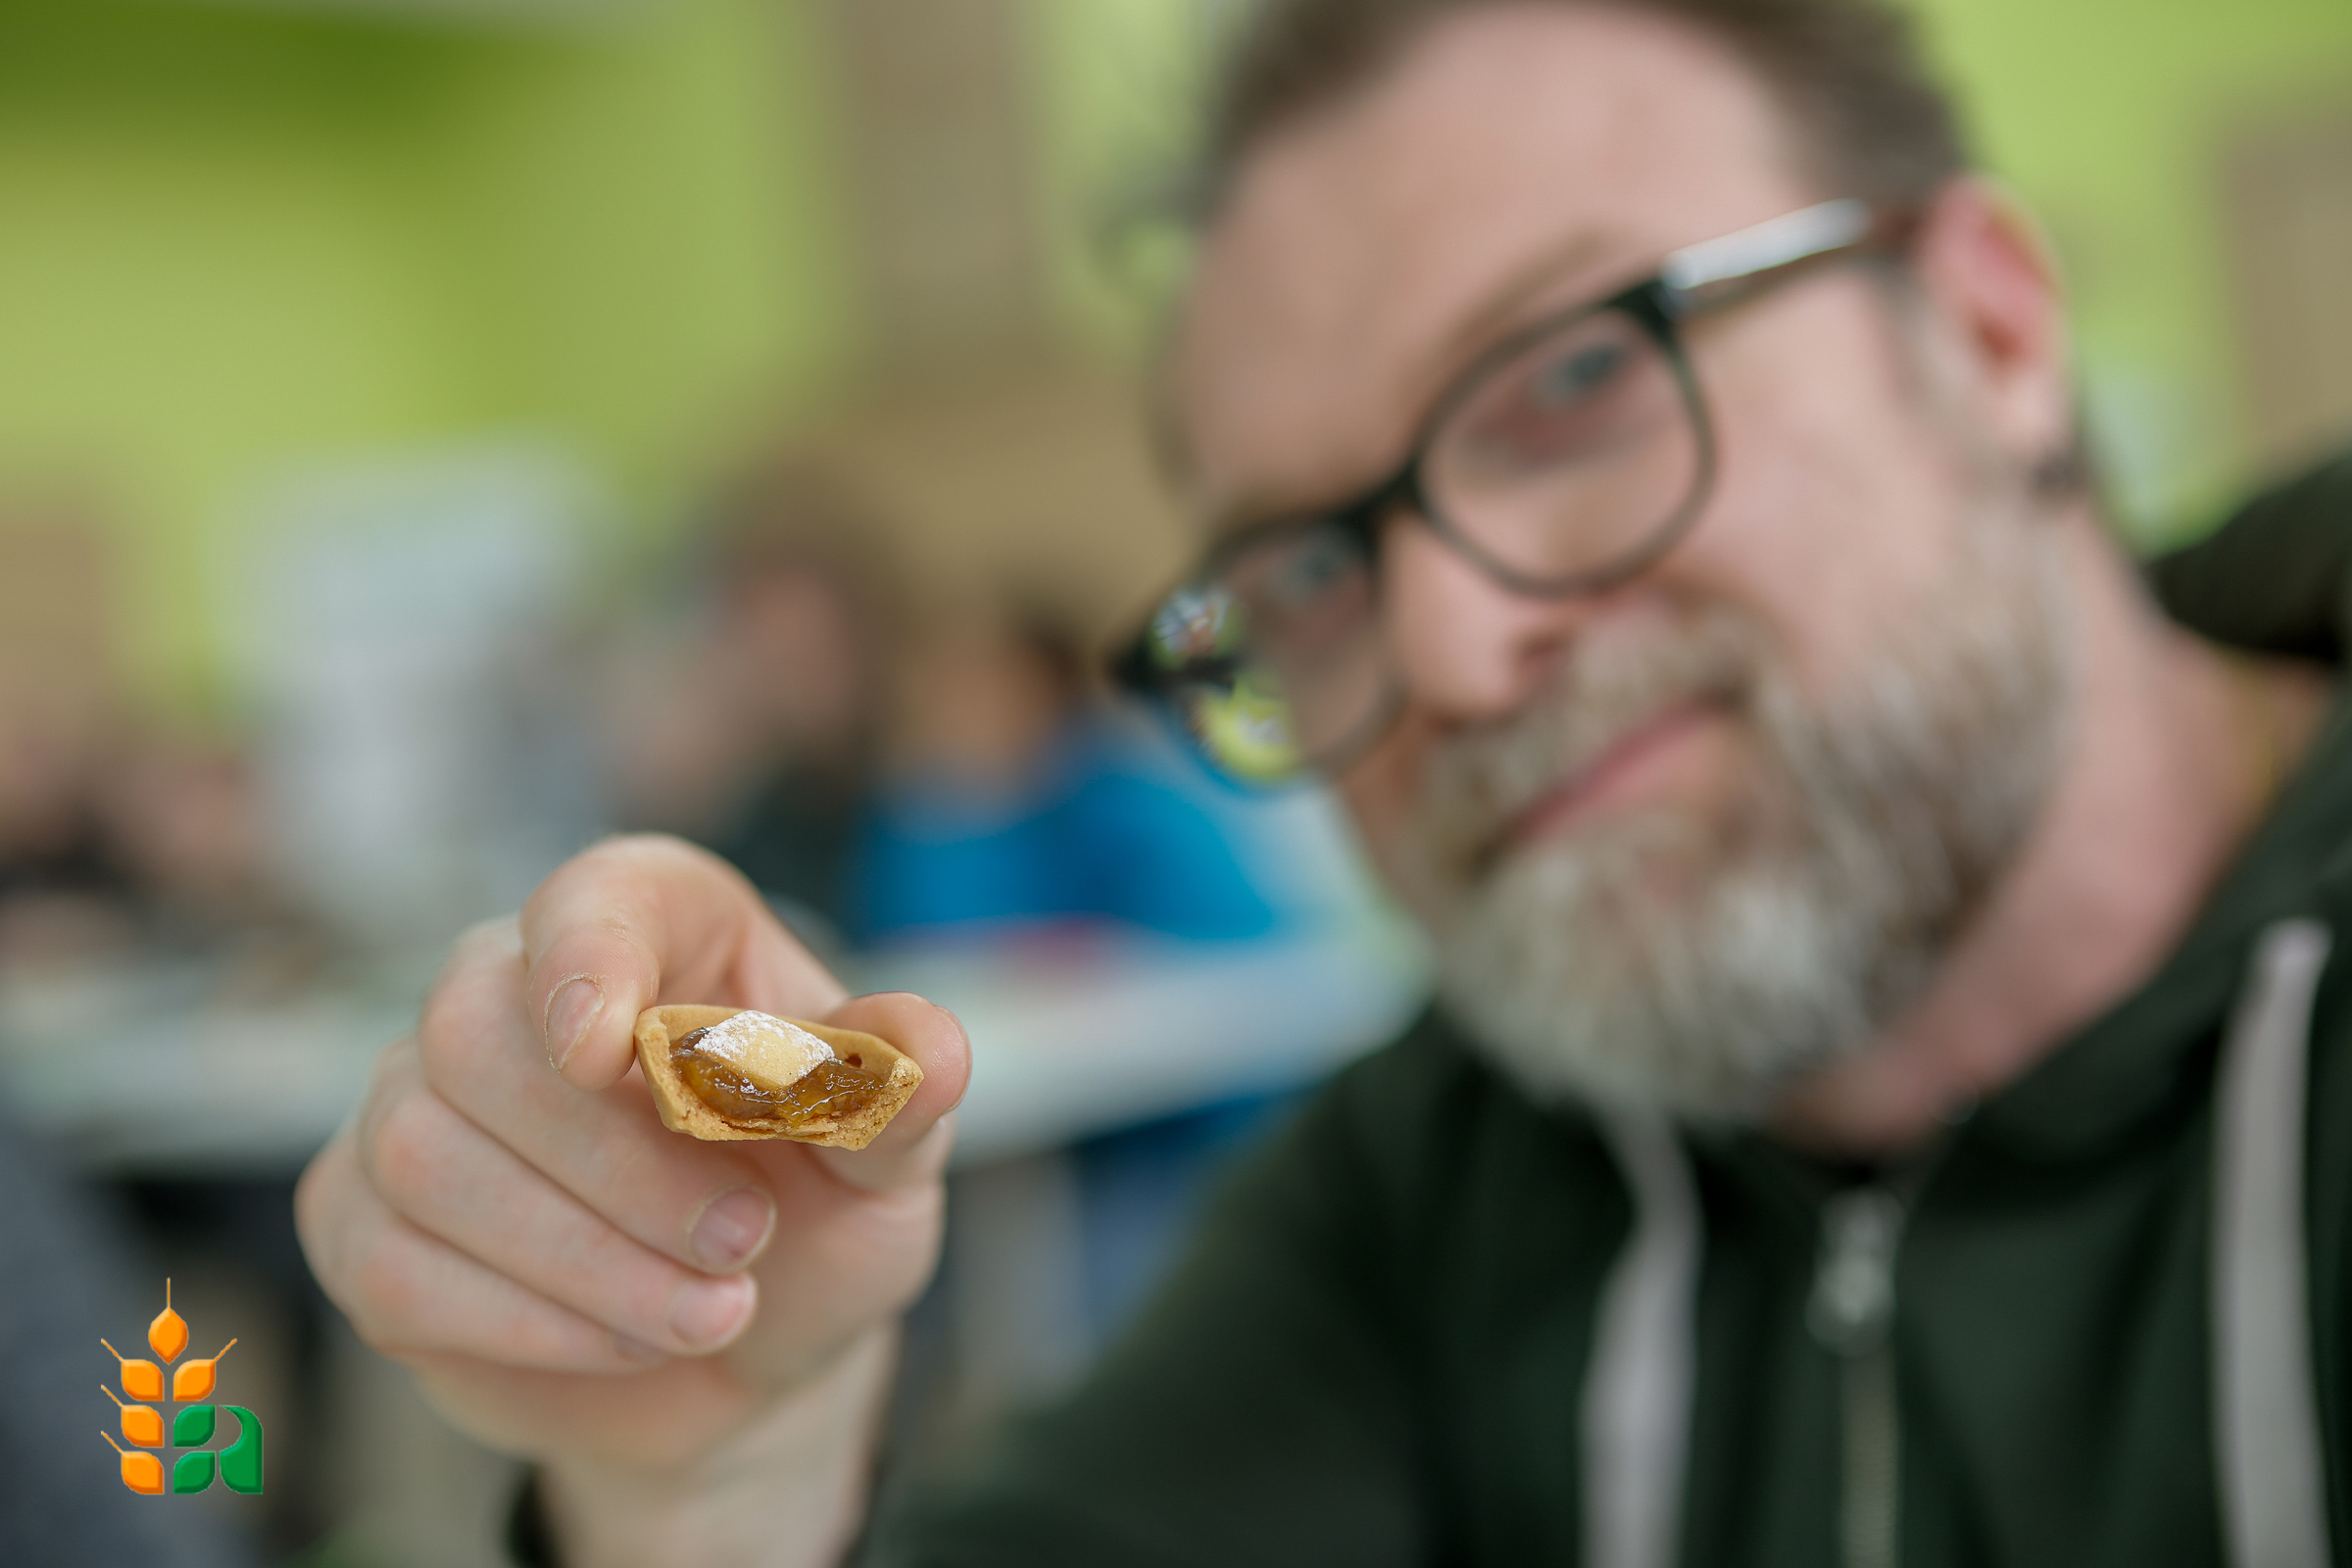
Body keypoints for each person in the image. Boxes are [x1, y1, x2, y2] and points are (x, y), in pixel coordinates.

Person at [293, 1, 2352, 1563]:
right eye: (1307, 570)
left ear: (1987, 332)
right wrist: (720, 1479)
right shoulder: (1450, 1175)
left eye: (1573, 381)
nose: (1445, 651)